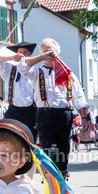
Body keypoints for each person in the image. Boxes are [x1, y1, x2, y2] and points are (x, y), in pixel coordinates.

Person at [18, 38, 90, 178]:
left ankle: (61, 187)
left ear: (58, 53)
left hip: (65, 114)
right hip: (45, 114)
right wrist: (42, 57)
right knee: (50, 151)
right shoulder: (36, 73)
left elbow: (79, 98)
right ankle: (52, 192)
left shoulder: (68, 74)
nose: (50, 54)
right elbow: (22, 67)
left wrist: (85, 118)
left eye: (52, 51)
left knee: (64, 151)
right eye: (46, 51)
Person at [0, 42, 38, 139]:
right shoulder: (9, 69)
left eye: (25, 52)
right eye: (20, 52)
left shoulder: (35, 71)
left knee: (29, 141)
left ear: (30, 55)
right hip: (14, 112)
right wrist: (11, 58)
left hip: (31, 112)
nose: (22, 55)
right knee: (12, 140)